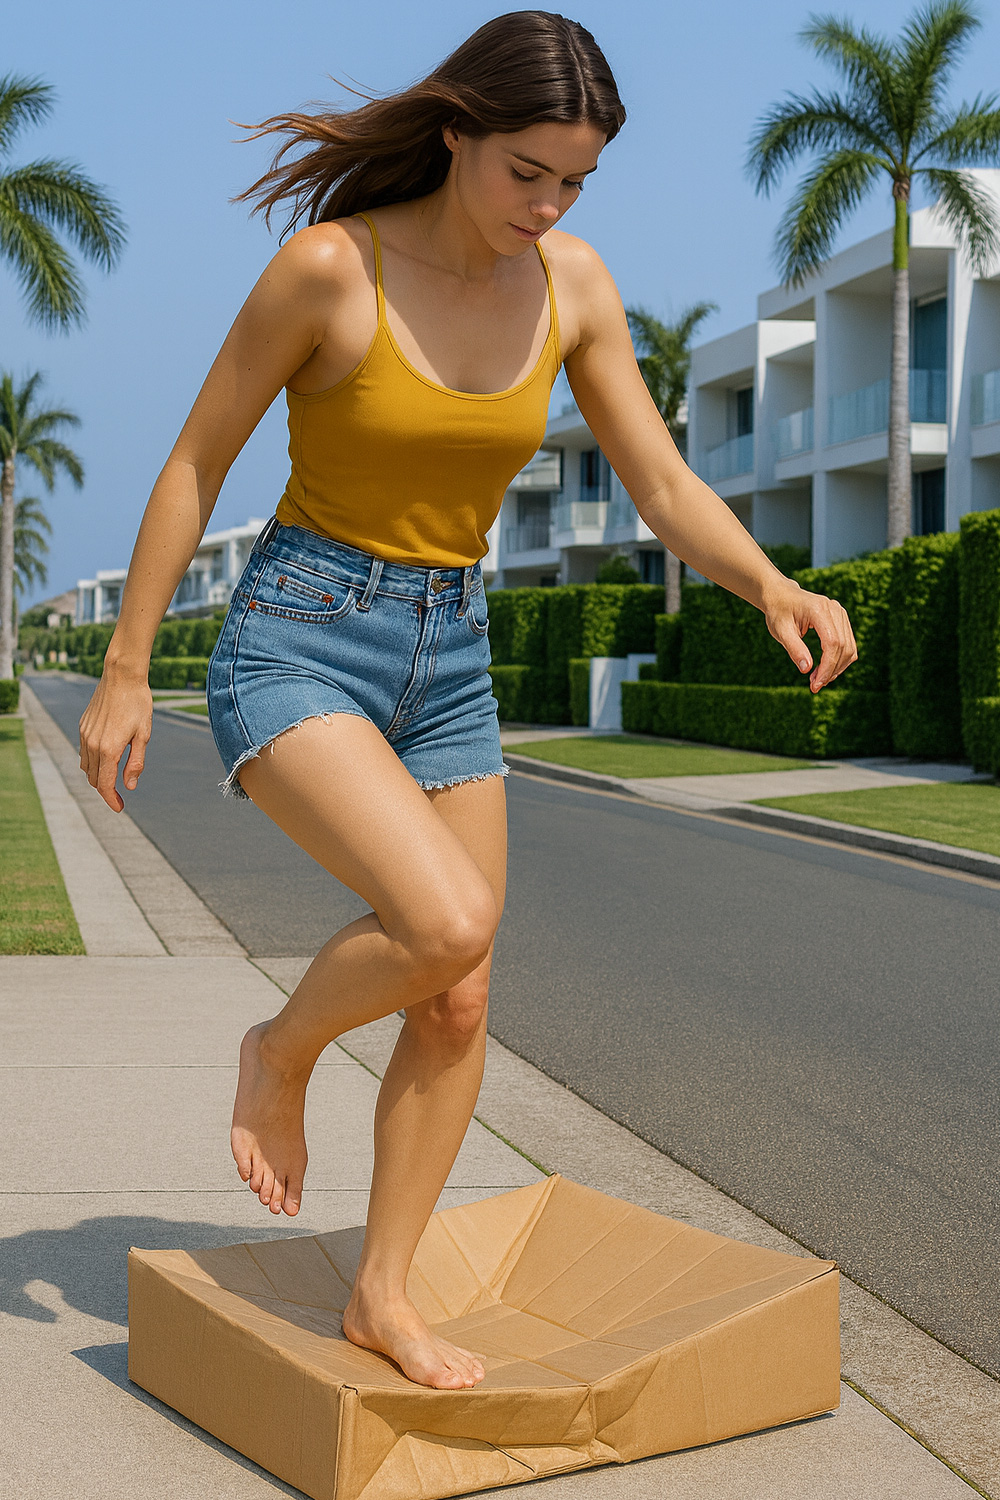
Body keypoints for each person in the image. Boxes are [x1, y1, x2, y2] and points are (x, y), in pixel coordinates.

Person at [78, 10, 857, 1393]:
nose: (547, 204)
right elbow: (196, 463)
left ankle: (382, 1292)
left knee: (456, 993)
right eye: (525, 173)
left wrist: (773, 587)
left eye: (574, 181)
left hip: (453, 651)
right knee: (442, 921)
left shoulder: (574, 285)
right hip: (303, 635)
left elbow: (664, 484)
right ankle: (282, 1043)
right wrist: (129, 669)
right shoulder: (330, 270)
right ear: (456, 136)